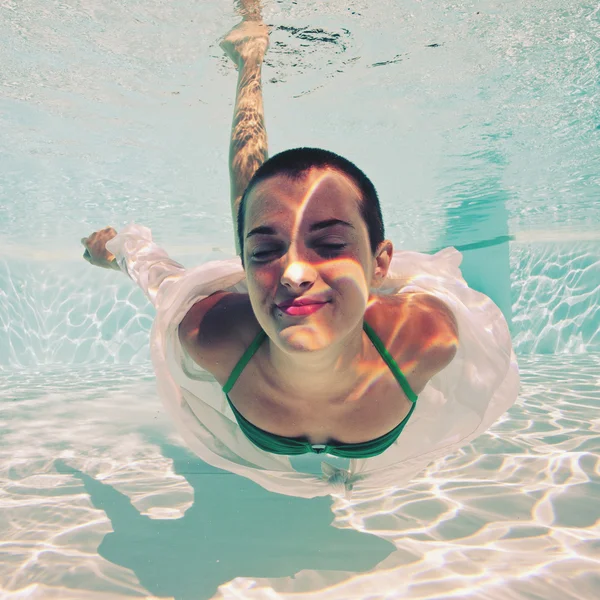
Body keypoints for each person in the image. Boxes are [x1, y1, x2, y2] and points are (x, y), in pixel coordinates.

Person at [81, 3, 518, 497]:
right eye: (263, 254)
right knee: (255, 208)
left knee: (260, 209)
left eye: (330, 243)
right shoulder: (213, 336)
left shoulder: (424, 339)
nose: (292, 272)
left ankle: (252, 67)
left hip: (366, 295)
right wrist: (120, 249)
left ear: (380, 264)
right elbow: (164, 282)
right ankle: (251, 63)